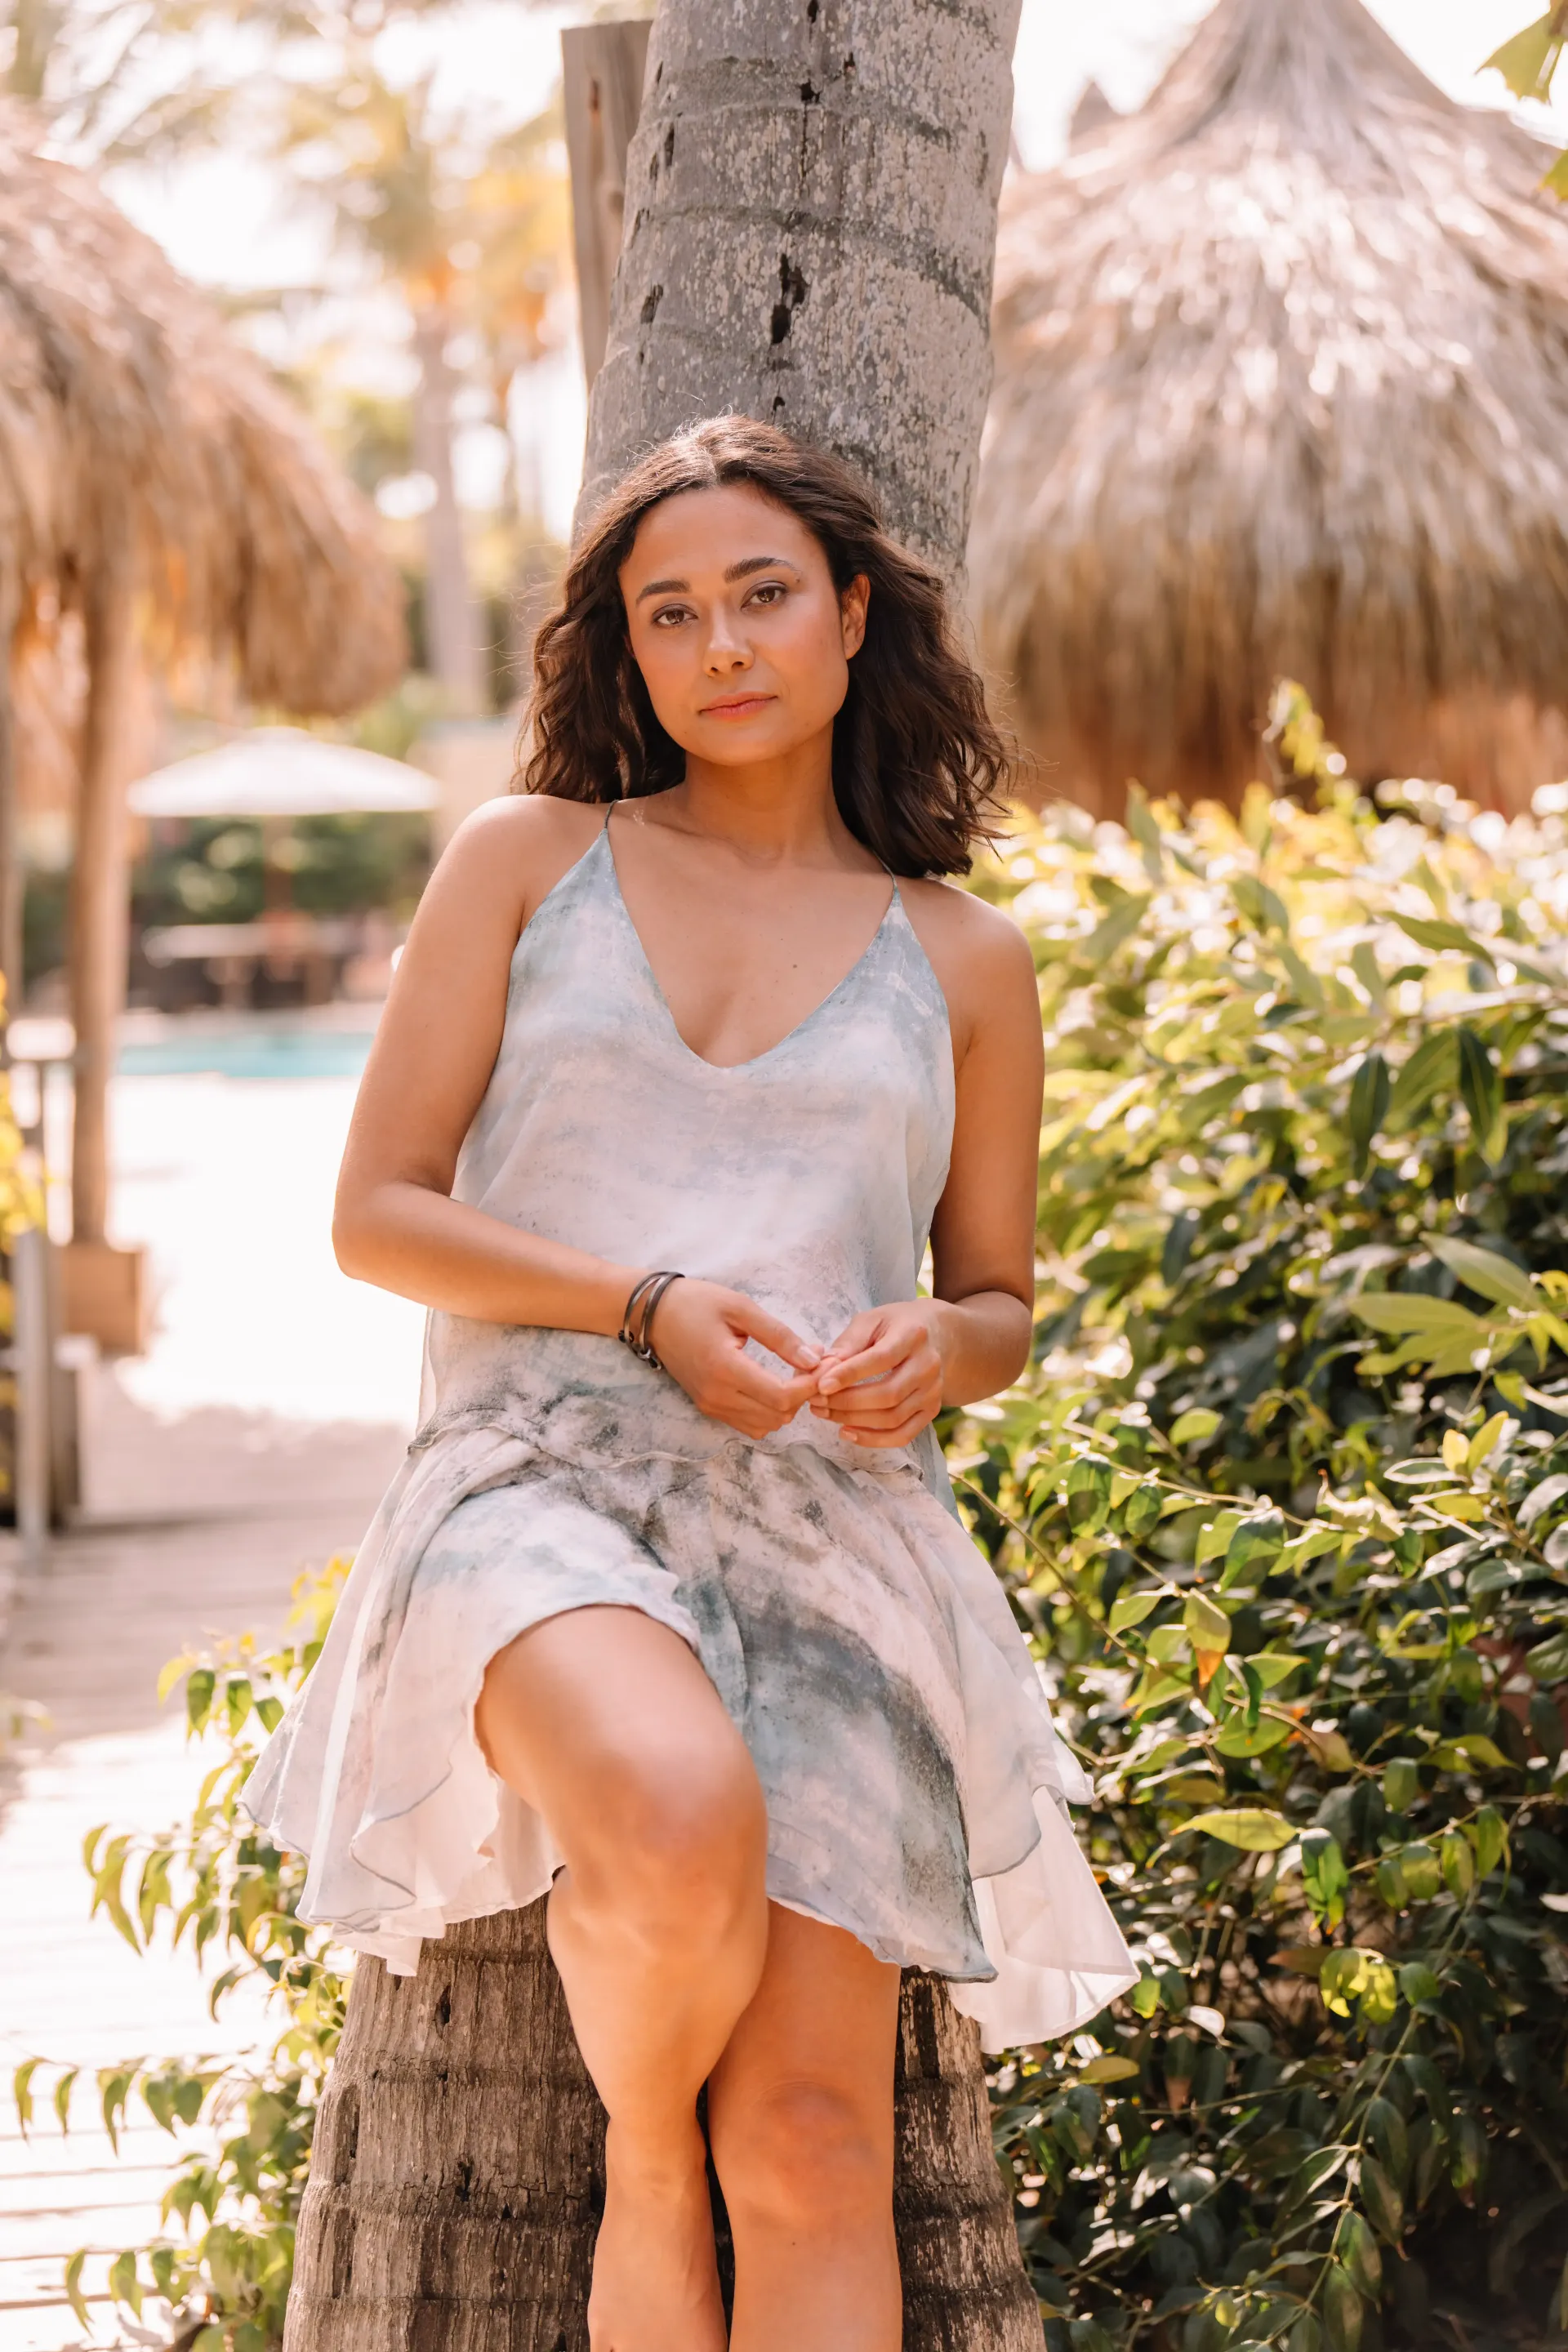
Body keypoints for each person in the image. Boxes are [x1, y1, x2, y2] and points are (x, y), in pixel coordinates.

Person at [246, 416, 1134, 2352]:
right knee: (664, 1804)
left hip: (835, 1519)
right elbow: (378, 1214)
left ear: (848, 615)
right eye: (672, 614)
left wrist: (937, 1350)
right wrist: (643, 1303)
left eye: (760, 597)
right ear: (628, 653)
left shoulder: (965, 958)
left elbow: (997, 1299)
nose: (721, 645)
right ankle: (646, 2157)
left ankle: (710, 2173)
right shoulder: (526, 862)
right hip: (537, 1476)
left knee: (814, 2141)